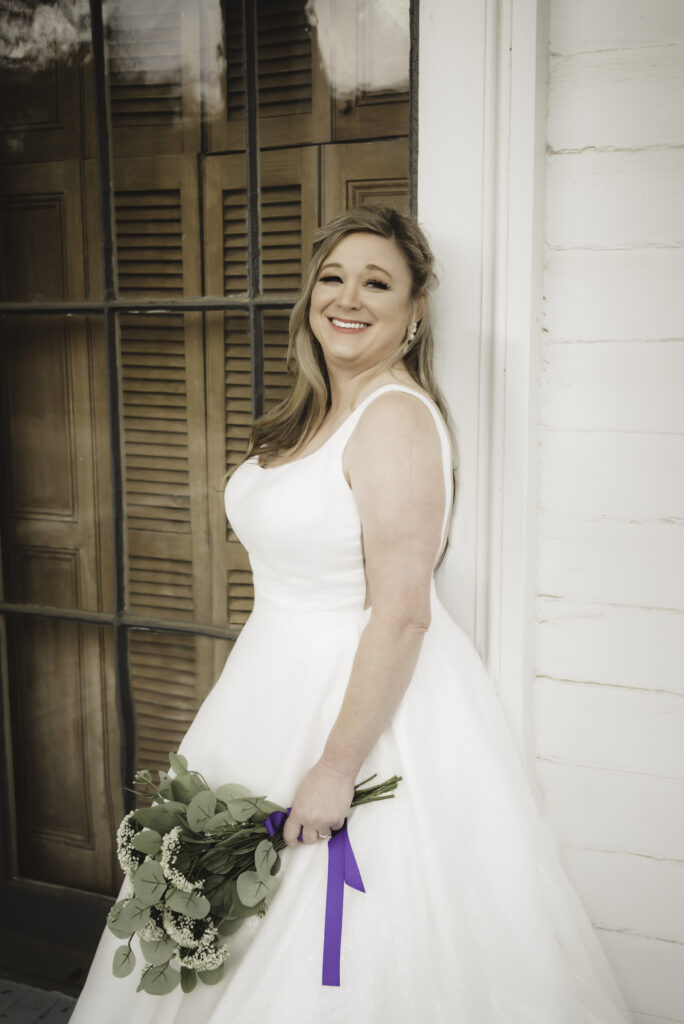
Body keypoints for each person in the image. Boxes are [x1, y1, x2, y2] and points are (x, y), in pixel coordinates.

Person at [71, 205, 632, 1022]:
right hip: (270, 685)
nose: (350, 297)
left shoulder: (395, 419)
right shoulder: (317, 415)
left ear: (415, 313)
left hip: (355, 707)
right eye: (333, 277)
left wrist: (335, 769)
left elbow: (402, 614)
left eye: (378, 282)